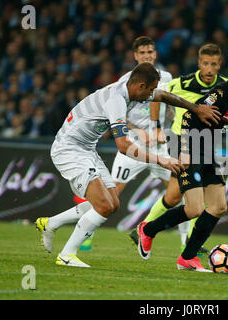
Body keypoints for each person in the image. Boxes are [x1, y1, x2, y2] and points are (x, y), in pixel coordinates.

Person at [35, 62, 221, 268]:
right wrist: (162, 160)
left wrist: (195, 108)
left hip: (86, 149)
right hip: (69, 150)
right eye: (149, 89)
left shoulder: (131, 90)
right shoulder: (116, 100)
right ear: (140, 86)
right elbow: (124, 146)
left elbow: (163, 96)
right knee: (104, 205)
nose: (151, 95)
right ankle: (67, 254)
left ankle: (50, 224)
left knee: (112, 203)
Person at [137, 55, 228, 271]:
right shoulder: (218, 95)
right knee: (195, 208)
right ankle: (148, 230)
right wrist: (186, 151)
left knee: (218, 206)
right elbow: (189, 116)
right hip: (190, 147)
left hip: (209, 151)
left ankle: (187, 258)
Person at [129, 43, 228, 254]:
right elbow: (157, 95)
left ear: (220, 65)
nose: (209, 69)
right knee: (197, 196)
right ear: (199, 63)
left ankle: (144, 228)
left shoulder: (226, 85)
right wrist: (155, 126)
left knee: (174, 196)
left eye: (214, 64)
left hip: (210, 144)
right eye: (205, 63)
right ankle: (190, 243)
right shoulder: (181, 83)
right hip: (181, 142)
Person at [79, 36, 173, 251]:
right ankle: (85, 233)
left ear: (155, 54)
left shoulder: (166, 77)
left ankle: (187, 245)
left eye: (150, 51)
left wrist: (166, 124)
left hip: (160, 146)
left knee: (179, 192)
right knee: (111, 195)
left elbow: (167, 104)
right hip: (133, 145)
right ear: (135, 56)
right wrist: (139, 129)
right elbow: (117, 114)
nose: (147, 55)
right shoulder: (125, 81)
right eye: (143, 52)